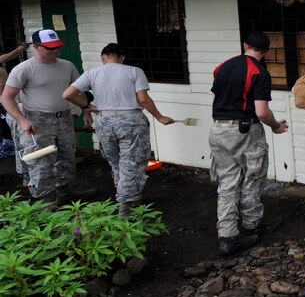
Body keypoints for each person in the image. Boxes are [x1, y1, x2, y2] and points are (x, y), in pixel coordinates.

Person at [63, 43, 175, 216]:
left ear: (103, 58)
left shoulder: (92, 73)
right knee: (132, 163)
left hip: (104, 121)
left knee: (116, 163)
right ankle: (127, 206)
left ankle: (127, 197)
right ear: (122, 57)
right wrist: (160, 117)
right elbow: (143, 99)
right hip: (131, 120)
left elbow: (67, 94)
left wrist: (87, 105)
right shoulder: (134, 71)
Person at [209, 32, 289, 256]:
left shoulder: (222, 67)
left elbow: (215, 100)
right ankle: (252, 224)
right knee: (252, 177)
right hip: (245, 130)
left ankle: (227, 237)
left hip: (218, 129)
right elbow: (261, 112)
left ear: (245, 45)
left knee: (227, 183)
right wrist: (275, 126)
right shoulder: (259, 72)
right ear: (265, 52)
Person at [1, 29, 93, 204]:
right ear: (36, 47)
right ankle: (45, 203)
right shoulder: (24, 69)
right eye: (50, 48)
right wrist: (22, 120)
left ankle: (65, 193)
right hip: (37, 121)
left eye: (58, 47)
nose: (55, 51)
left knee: (67, 157)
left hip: (64, 119)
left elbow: (78, 91)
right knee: (41, 161)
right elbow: (6, 97)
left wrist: (86, 110)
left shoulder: (67, 65)